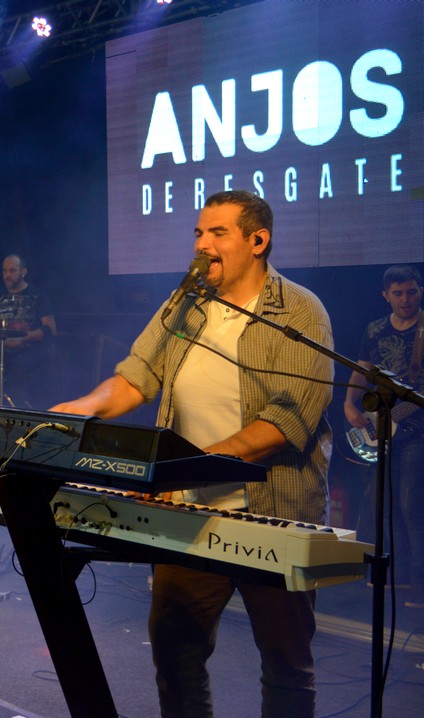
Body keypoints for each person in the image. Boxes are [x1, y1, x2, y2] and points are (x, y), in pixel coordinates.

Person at [50, 190, 333, 717]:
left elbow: (287, 419)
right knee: (176, 654)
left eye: (217, 234)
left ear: (257, 240)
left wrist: (189, 461)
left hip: (272, 513)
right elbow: (136, 377)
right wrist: (77, 409)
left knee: (287, 665)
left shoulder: (299, 311)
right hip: (190, 510)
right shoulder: (186, 303)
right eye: (198, 234)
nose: (202, 245)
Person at [343, 264, 424, 609]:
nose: (406, 299)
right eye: (399, 293)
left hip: (417, 430)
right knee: (380, 506)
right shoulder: (375, 329)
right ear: (385, 296)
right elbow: (362, 370)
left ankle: (418, 581)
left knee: (411, 506)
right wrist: (348, 403)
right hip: (382, 428)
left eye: (412, 292)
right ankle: (393, 575)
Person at [0, 254, 56, 408]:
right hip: (1, 349)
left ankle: (15, 409)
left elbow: (50, 329)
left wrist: (21, 340)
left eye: (12, 271)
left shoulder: (38, 295)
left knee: (16, 367)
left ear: (23, 272)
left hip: (30, 349)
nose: (8, 275)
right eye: (5, 271)